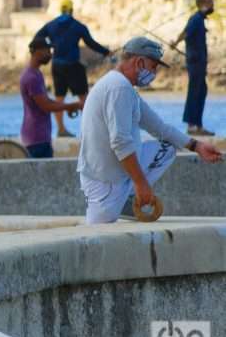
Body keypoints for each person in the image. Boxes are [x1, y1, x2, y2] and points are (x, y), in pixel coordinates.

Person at [78, 36, 222, 225]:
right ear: (138, 61)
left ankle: (127, 197)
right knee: (97, 236)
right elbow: (120, 142)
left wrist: (197, 146)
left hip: (119, 174)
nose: (154, 73)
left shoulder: (127, 89)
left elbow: (160, 127)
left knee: (167, 149)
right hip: (105, 181)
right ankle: (124, 197)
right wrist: (141, 184)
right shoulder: (118, 88)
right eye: (153, 67)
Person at [35, 0, 110, 137]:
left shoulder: (50, 25)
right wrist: (106, 52)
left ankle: (61, 130)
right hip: (74, 66)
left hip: (56, 65)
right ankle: (89, 132)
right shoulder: (77, 26)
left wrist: (50, 48)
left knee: (59, 98)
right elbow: (90, 43)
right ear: (71, 9)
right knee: (84, 99)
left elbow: (37, 38)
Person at [20, 36, 82, 158]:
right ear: (38, 52)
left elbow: (46, 100)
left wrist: (67, 107)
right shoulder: (31, 77)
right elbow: (46, 106)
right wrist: (73, 105)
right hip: (36, 140)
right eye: (48, 51)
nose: (50, 54)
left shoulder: (37, 74)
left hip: (41, 138)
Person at [171, 0, 215, 136]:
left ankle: (197, 125)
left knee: (201, 90)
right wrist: (176, 43)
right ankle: (192, 126)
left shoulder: (200, 20)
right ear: (203, 4)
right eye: (210, 3)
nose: (212, 6)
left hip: (199, 62)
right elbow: (186, 32)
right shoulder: (196, 19)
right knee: (195, 91)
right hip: (195, 62)